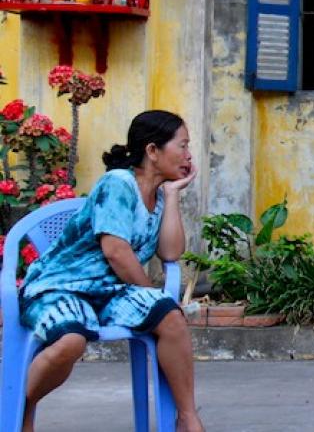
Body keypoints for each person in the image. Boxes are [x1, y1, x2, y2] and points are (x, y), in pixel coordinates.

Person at [18, 110, 205, 432]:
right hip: (61, 287)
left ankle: (187, 418)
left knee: (170, 318)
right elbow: (116, 251)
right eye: (183, 146)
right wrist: (149, 291)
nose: (188, 155)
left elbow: (171, 252)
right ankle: (18, 407)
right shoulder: (118, 183)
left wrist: (173, 196)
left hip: (108, 292)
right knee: (70, 341)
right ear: (152, 150)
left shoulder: (159, 195)